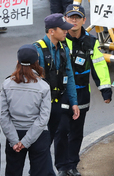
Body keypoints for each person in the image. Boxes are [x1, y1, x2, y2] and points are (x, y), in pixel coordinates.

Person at [64, 4, 112, 176]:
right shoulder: (60, 39)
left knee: (76, 132)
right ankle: (62, 166)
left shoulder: (91, 42)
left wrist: (105, 89)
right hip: (61, 95)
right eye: (71, 17)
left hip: (81, 92)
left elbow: (99, 66)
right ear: (65, 19)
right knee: (61, 131)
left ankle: (72, 165)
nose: (74, 20)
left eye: (78, 17)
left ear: (84, 20)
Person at [34, 14, 80, 176]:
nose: (67, 31)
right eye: (63, 29)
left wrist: (74, 101)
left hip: (60, 98)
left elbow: (70, 75)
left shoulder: (63, 48)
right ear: (51, 31)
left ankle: (62, 167)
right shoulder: (37, 50)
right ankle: (40, 170)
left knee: (63, 130)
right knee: (43, 139)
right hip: (43, 103)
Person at [0, 44, 53, 176]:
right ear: (36, 62)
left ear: (17, 62)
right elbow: (43, 118)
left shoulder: (6, 84)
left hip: (14, 134)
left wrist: (15, 141)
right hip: (38, 135)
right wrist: (26, 141)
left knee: (13, 171)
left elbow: (3, 115)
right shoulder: (43, 86)